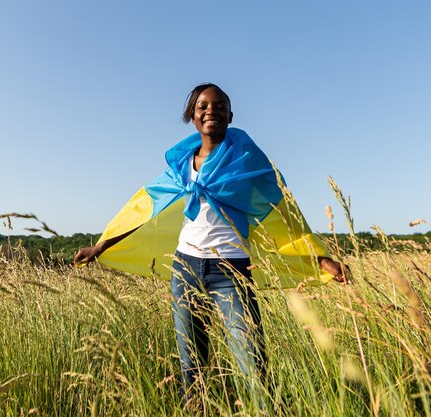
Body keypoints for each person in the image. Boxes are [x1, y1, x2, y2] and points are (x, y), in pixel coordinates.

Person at [74, 83, 348, 403]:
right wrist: (101, 245)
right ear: (193, 116)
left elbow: (282, 214)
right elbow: (145, 208)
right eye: (203, 106)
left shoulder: (247, 160)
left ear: (230, 115)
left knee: (252, 361)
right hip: (185, 268)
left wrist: (320, 258)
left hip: (231, 270)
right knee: (193, 365)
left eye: (219, 106)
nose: (211, 111)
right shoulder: (181, 165)